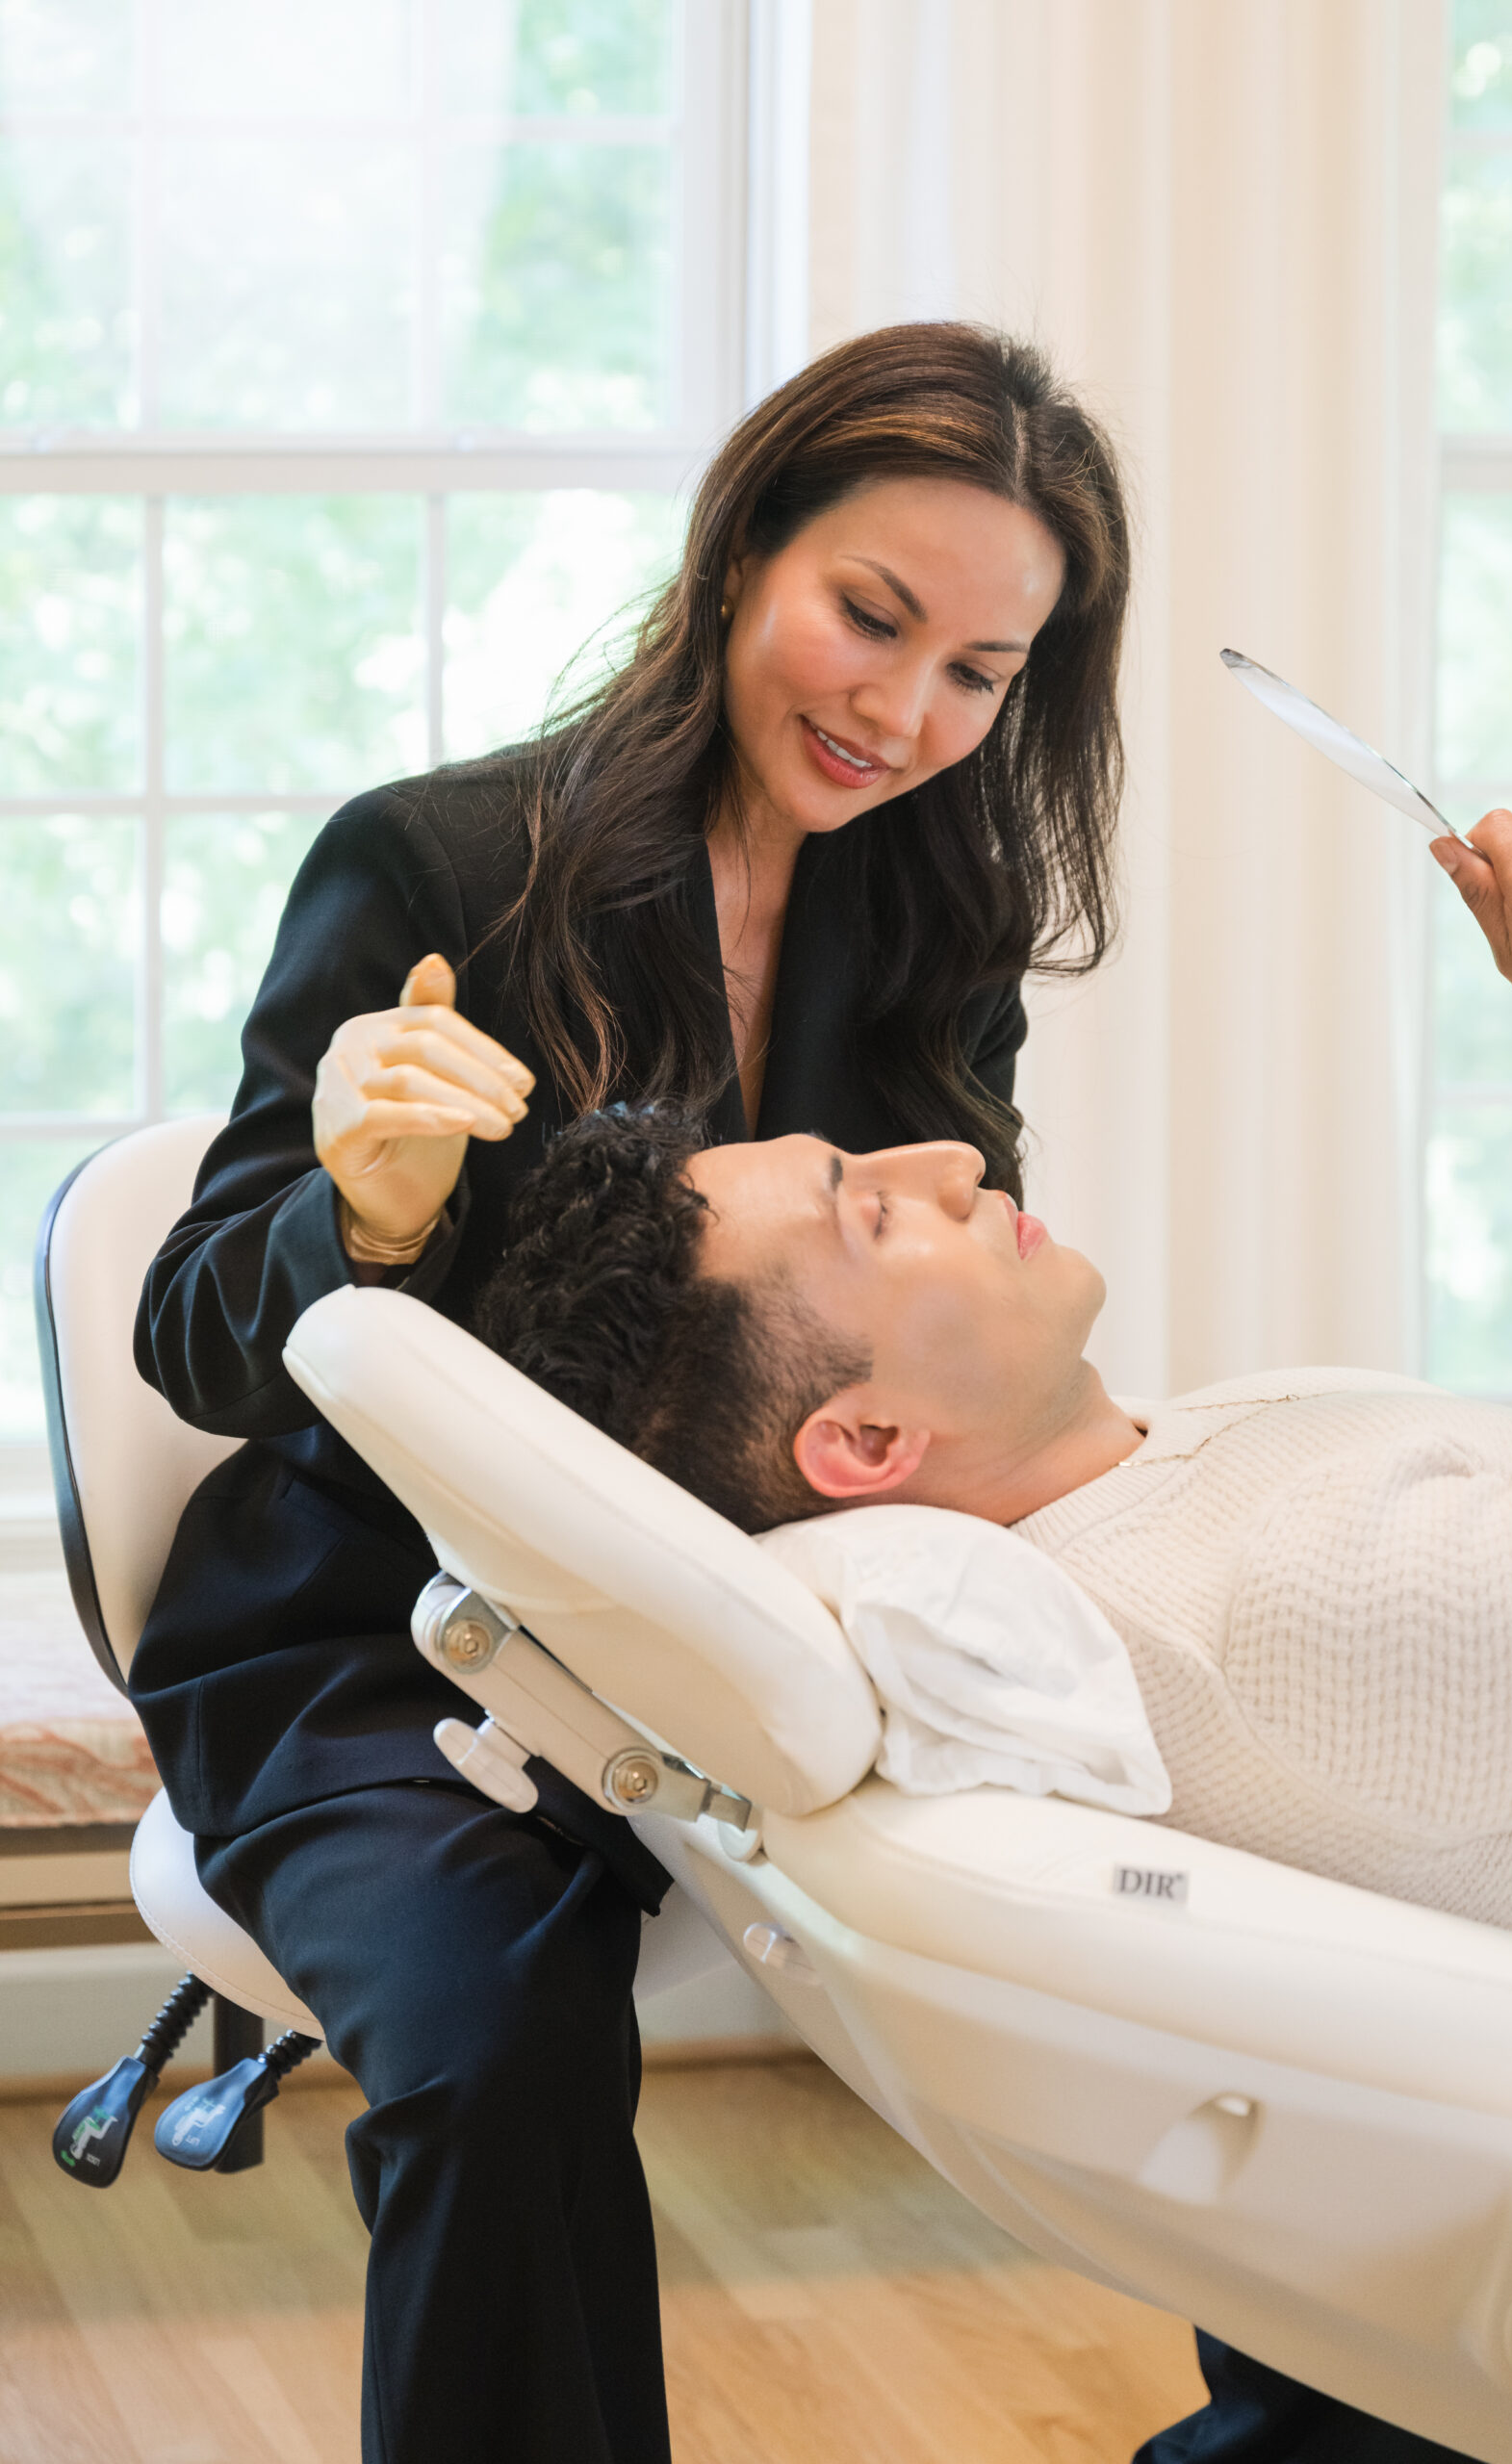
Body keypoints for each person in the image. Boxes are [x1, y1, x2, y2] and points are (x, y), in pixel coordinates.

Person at [128, 322, 1133, 2464]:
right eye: (870, 615)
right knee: (495, 2038)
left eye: (977, 671)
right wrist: (366, 1217)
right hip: (386, 1644)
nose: (901, 710)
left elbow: (942, 1349)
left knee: (1238, 1933)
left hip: (766, 1640)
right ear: (738, 547)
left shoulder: (940, 921)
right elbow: (198, 1328)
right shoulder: (433, 866)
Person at [476, 808, 1512, 2464]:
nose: (950, 1161)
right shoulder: (1301, 1622)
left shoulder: (1139, 1523)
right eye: (875, 1211)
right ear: (863, 1451)